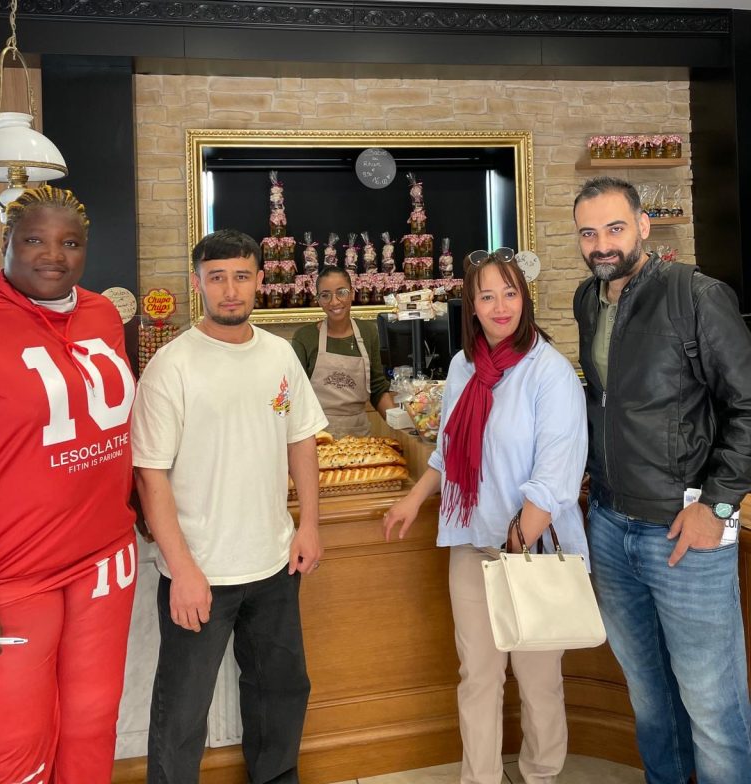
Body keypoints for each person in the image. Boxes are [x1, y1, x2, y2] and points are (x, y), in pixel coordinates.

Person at [384, 249, 588, 784]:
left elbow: (557, 473)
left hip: (532, 548)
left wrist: (518, 541)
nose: (501, 307)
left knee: (537, 676)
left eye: (510, 292)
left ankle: (542, 773)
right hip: (473, 544)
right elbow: (449, 449)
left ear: (525, 297)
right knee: (477, 675)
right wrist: (415, 497)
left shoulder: (550, 372)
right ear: (471, 307)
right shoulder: (463, 365)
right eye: (487, 296)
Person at [573, 175, 751, 784]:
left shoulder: (695, 294)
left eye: (615, 228)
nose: (602, 244)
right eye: (589, 232)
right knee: (650, 699)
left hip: (684, 534)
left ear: (644, 226)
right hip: (611, 526)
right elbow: (607, 403)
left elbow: (747, 407)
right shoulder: (586, 299)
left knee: (711, 705)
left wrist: (720, 505)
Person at [132, 229, 327, 784]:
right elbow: (151, 476)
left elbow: (301, 440)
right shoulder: (172, 366)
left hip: (273, 563)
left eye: (241, 276)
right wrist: (185, 570)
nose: (231, 290)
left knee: (281, 693)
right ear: (198, 284)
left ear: (261, 281)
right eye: (216, 278)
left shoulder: (280, 354)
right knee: (182, 711)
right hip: (199, 572)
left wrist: (308, 524)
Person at [0, 185, 137, 783]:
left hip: (103, 558)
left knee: (93, 725)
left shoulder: (101, 313)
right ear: (7, 245)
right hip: (12, 573)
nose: (54, 255)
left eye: (70, 242)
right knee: (17, 746)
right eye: (34, 240)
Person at [291, 265, 394, 438]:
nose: (334, 302)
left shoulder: (368, 332)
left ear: (352, 293)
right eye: (325, 295)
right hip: (317, 437)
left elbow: (377, 388)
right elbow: (295, 395)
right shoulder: (304, 337)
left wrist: (400, 425)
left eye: (342, 292)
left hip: (360, 438)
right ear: (318, 299)